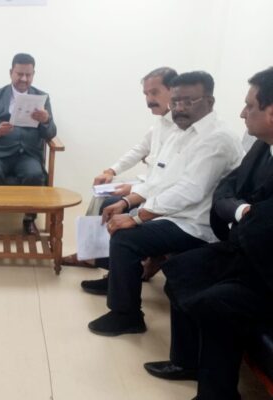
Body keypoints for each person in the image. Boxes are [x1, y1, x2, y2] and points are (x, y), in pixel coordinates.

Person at [144, 67, 273, 400]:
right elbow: (227, 188)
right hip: (246, 249)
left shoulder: (221, 138)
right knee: (180, 272)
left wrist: (238, 211)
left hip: (265, 270)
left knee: (218, 303)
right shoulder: (262, 146)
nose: (242, 113)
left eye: (250, 106)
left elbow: (260, 220)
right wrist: (240, 211)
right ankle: (185, 362)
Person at [84, 71, 244, 336]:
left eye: (188, 101)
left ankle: (127, 315)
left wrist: (137, 217)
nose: (179, 108)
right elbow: (160, 178)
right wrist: (126, 201)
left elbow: (189, 191)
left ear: (209, 101)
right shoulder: (181, 132)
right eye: (176, 101)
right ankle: (117, 285)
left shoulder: (217, 139)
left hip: (199, 225)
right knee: (115, 213)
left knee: (126, 238)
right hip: (177, 215)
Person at [63, 67, 178, 271]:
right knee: (100, 190)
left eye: (154, 92)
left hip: (162, 194)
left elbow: (169, 177)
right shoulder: (160, 123)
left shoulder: (182, 128)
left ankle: (98, 257)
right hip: (148, 185)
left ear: (173, 90)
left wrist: (133, 190)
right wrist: (111, 171)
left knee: (109, 200)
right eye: (146, 94)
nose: (149, 100)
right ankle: (90, 253)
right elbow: (139, 150)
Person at [0, 53, 57, 236]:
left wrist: (46, 120)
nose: (24, 79)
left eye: (28, 75)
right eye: (20, 74)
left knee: (34, 174)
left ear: (33, 74)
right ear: (11, 72)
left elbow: (51, 133)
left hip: (27, 154)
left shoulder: (42, 97)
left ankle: (29, 219)